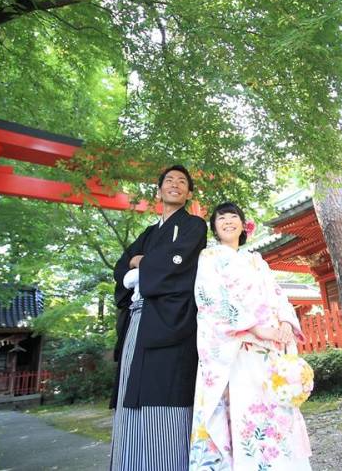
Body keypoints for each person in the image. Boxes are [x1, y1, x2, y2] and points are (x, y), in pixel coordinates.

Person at [189, 202, 312, 470]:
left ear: (243, 225)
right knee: (246, 408)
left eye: (233, 217)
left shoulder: (256, 260)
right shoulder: (209, 258)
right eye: (222, 218)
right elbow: (211, 298)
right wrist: (254, 328)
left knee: (276, 408)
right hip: (238, 347)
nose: (228, 221)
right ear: (214, 228)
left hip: (270, 348)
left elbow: (277, 294)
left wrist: (286, 323)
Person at [111, 165, 208, 471]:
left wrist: (141, 265)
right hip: (138, 321)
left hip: (171, 320)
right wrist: (138, 267)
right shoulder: (149, 233)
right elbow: (121, 267)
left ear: (189, 193)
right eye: (169, 180)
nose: (175, 184)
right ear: (159, 191)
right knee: (131, 389)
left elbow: (179, 262)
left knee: (165, 389)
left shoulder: (194, 225)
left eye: (182, 182)